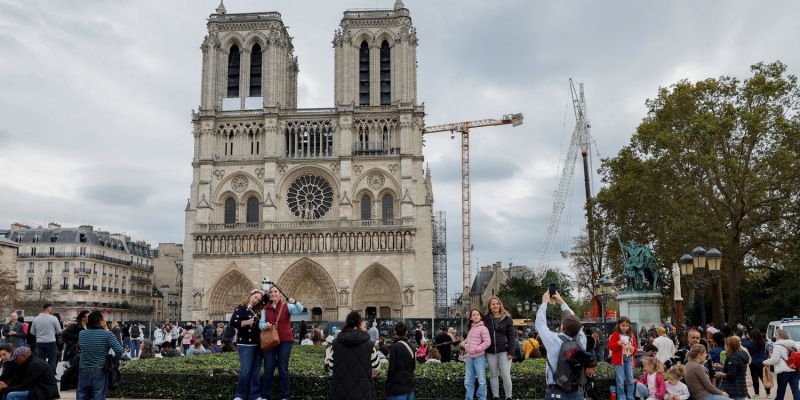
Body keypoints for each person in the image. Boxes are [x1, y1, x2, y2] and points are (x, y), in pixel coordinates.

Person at [535, 289, 587, 400]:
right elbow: (575, 321)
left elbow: (540, 323)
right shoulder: (582, 340)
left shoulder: (554, 340)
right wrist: (562, 302)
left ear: (562, 327)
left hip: (556, 390)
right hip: (577, 391)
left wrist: (544, 303)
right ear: (579, 329)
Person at [260, 285, 303, 400]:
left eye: (275, 291)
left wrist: (295, 302)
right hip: (270, 341)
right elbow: (260, 324)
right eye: (271, 292)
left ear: (280, 294)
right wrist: (265, 325)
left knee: (283, 368)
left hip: (285, 340)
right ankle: (265, 396)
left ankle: (285, 396)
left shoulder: (287, 306)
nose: (273, 293)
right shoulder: (265, 308)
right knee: (268, 369)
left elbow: (300, 309)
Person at [325, 311, 379, 400]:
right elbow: (376, 366)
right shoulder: (369, 344)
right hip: (363, 392)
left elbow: (330, 367)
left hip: (340, 393)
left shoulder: (335, 343)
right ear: (359, 325)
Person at [77, 311, 123, 400]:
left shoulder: (82, 334)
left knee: (81, 396)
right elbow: (119, 350)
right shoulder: (108, 334)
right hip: (99, 371)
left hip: (83, 370)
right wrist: (115, 361)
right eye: (104, 319)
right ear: (101, 322)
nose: (105, 321)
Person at [229, 289, 264, 400]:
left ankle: (255, 395)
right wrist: (246, 322)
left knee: (256, 372)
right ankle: (240, 395)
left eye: (258, 300)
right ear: (250, 295)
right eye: (255, 297)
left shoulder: (259, 311)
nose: (255, 300)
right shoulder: (241, 308)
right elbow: (232, 322)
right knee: (245, 371)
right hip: (245, 344)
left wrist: (262, 292)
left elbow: (269, 301)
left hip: (258, 344)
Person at [483, 296, 516, 400]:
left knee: (506, 375)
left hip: (504, 351)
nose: (495, 306)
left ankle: (508, 397)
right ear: (489, 306)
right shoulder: (486, 319)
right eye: (493, 304)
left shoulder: (507, 318)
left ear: (500, 305)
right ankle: (496, 396)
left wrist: (511, 351)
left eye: (497, 304)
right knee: (493, 375)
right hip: (490, 351)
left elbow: (512, 336)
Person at [461, 308, 491, 400]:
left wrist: (476, 349)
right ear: (470, 318)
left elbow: (487, 342)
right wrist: (464, 343)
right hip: (470, 358)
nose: (475, 316)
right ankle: (468, 398)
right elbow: (468, 339)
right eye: (473, 315)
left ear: (481, 316)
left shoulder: (483, 328)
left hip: (479, 358)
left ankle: (482, 398)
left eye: (477, 314)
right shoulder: (471, 329)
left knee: (482, 381)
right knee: (468, 381)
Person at [763, 329, 799, 400]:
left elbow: (774, 359)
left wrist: (765, 362)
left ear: (780, 336)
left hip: (783, 372)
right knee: (795, 389)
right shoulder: (793, 344)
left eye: (776, 335)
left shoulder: (777, 345)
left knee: (781, 391)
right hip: (795, 370)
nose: (775, 336)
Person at [609, 316, 638, 400]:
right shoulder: (615, 334)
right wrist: (618, 343)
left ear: (629, 326)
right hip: (619, 360)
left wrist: (633, 349)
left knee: (630, 379)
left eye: (626, 326)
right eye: (623, 326)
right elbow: (610, 346)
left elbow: (635, 347)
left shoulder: (631, 335)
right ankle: (622, 398)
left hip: (629, 358)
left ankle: (630, 397)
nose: (625, 328)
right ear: (618, 325)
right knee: (620, 380)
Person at [28, 303, 62, 375]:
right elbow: (59, 331)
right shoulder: (53, 318)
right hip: (51, 341)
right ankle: (51, 375)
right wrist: (52, 332)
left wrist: (40, 334)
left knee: (40, 359)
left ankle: (41, 375)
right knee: (52, 359)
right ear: (49, 310)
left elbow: (32, 332)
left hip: (40, 341)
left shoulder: (36, 319)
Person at [386, 321, 415, 400]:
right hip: (410, 383)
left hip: (397, 386)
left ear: (395, 332)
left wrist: (388, 382)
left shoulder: (394, 347)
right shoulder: (412, 346)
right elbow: (413, 367)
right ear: (406, 332)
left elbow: (391, 367)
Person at [716, 336, 749, 400]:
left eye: (725, 345)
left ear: (730, 346)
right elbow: (737, 369)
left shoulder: (732, 357)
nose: (724, 347)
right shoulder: (741, 355)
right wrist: (723, 368)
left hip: (733, 390)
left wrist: (721, 374)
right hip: (741, 388)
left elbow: (732, 375)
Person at [742, 328, 771, 399]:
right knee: (764, 377)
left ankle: (757, 394)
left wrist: (743, 338)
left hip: (753, 362)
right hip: (763, 362)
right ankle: (768, 394)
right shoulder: (762, 342)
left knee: (755, 378)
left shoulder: (750, 343)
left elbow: (743, 345)